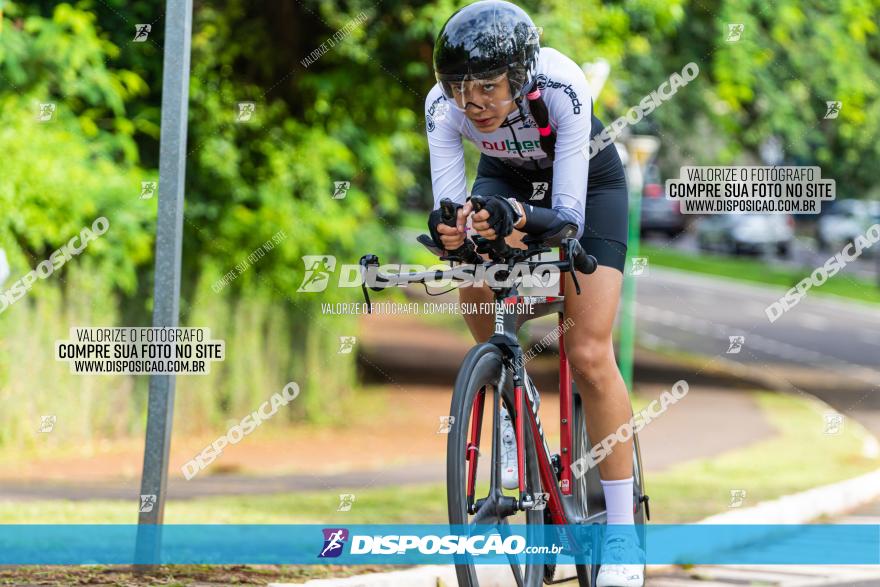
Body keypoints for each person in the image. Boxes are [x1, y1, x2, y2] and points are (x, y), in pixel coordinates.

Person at [425, 2, 642, 585]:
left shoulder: (563, 84)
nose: (473, 105)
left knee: (591, 354)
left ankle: (621, 537)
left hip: (586, 186)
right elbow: (451, 210)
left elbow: (567, 218)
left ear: (520, 77)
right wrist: (455, 229)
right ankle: (504, 392)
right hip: (505, 180)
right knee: (470, 269)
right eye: (459, 89)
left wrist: (519, 218)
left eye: (489, 89)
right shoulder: (440, 108)